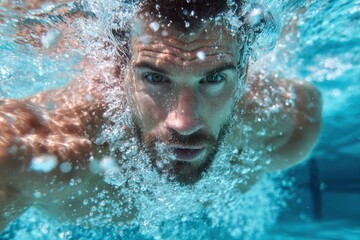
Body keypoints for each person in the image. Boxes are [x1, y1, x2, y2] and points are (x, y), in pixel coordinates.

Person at [0, 0, 322, 231]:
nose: (183, 122)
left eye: (213, 79)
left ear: (244, 73)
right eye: (155, 78)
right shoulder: (43, 153)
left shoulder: (289, 124)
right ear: (118, 71)